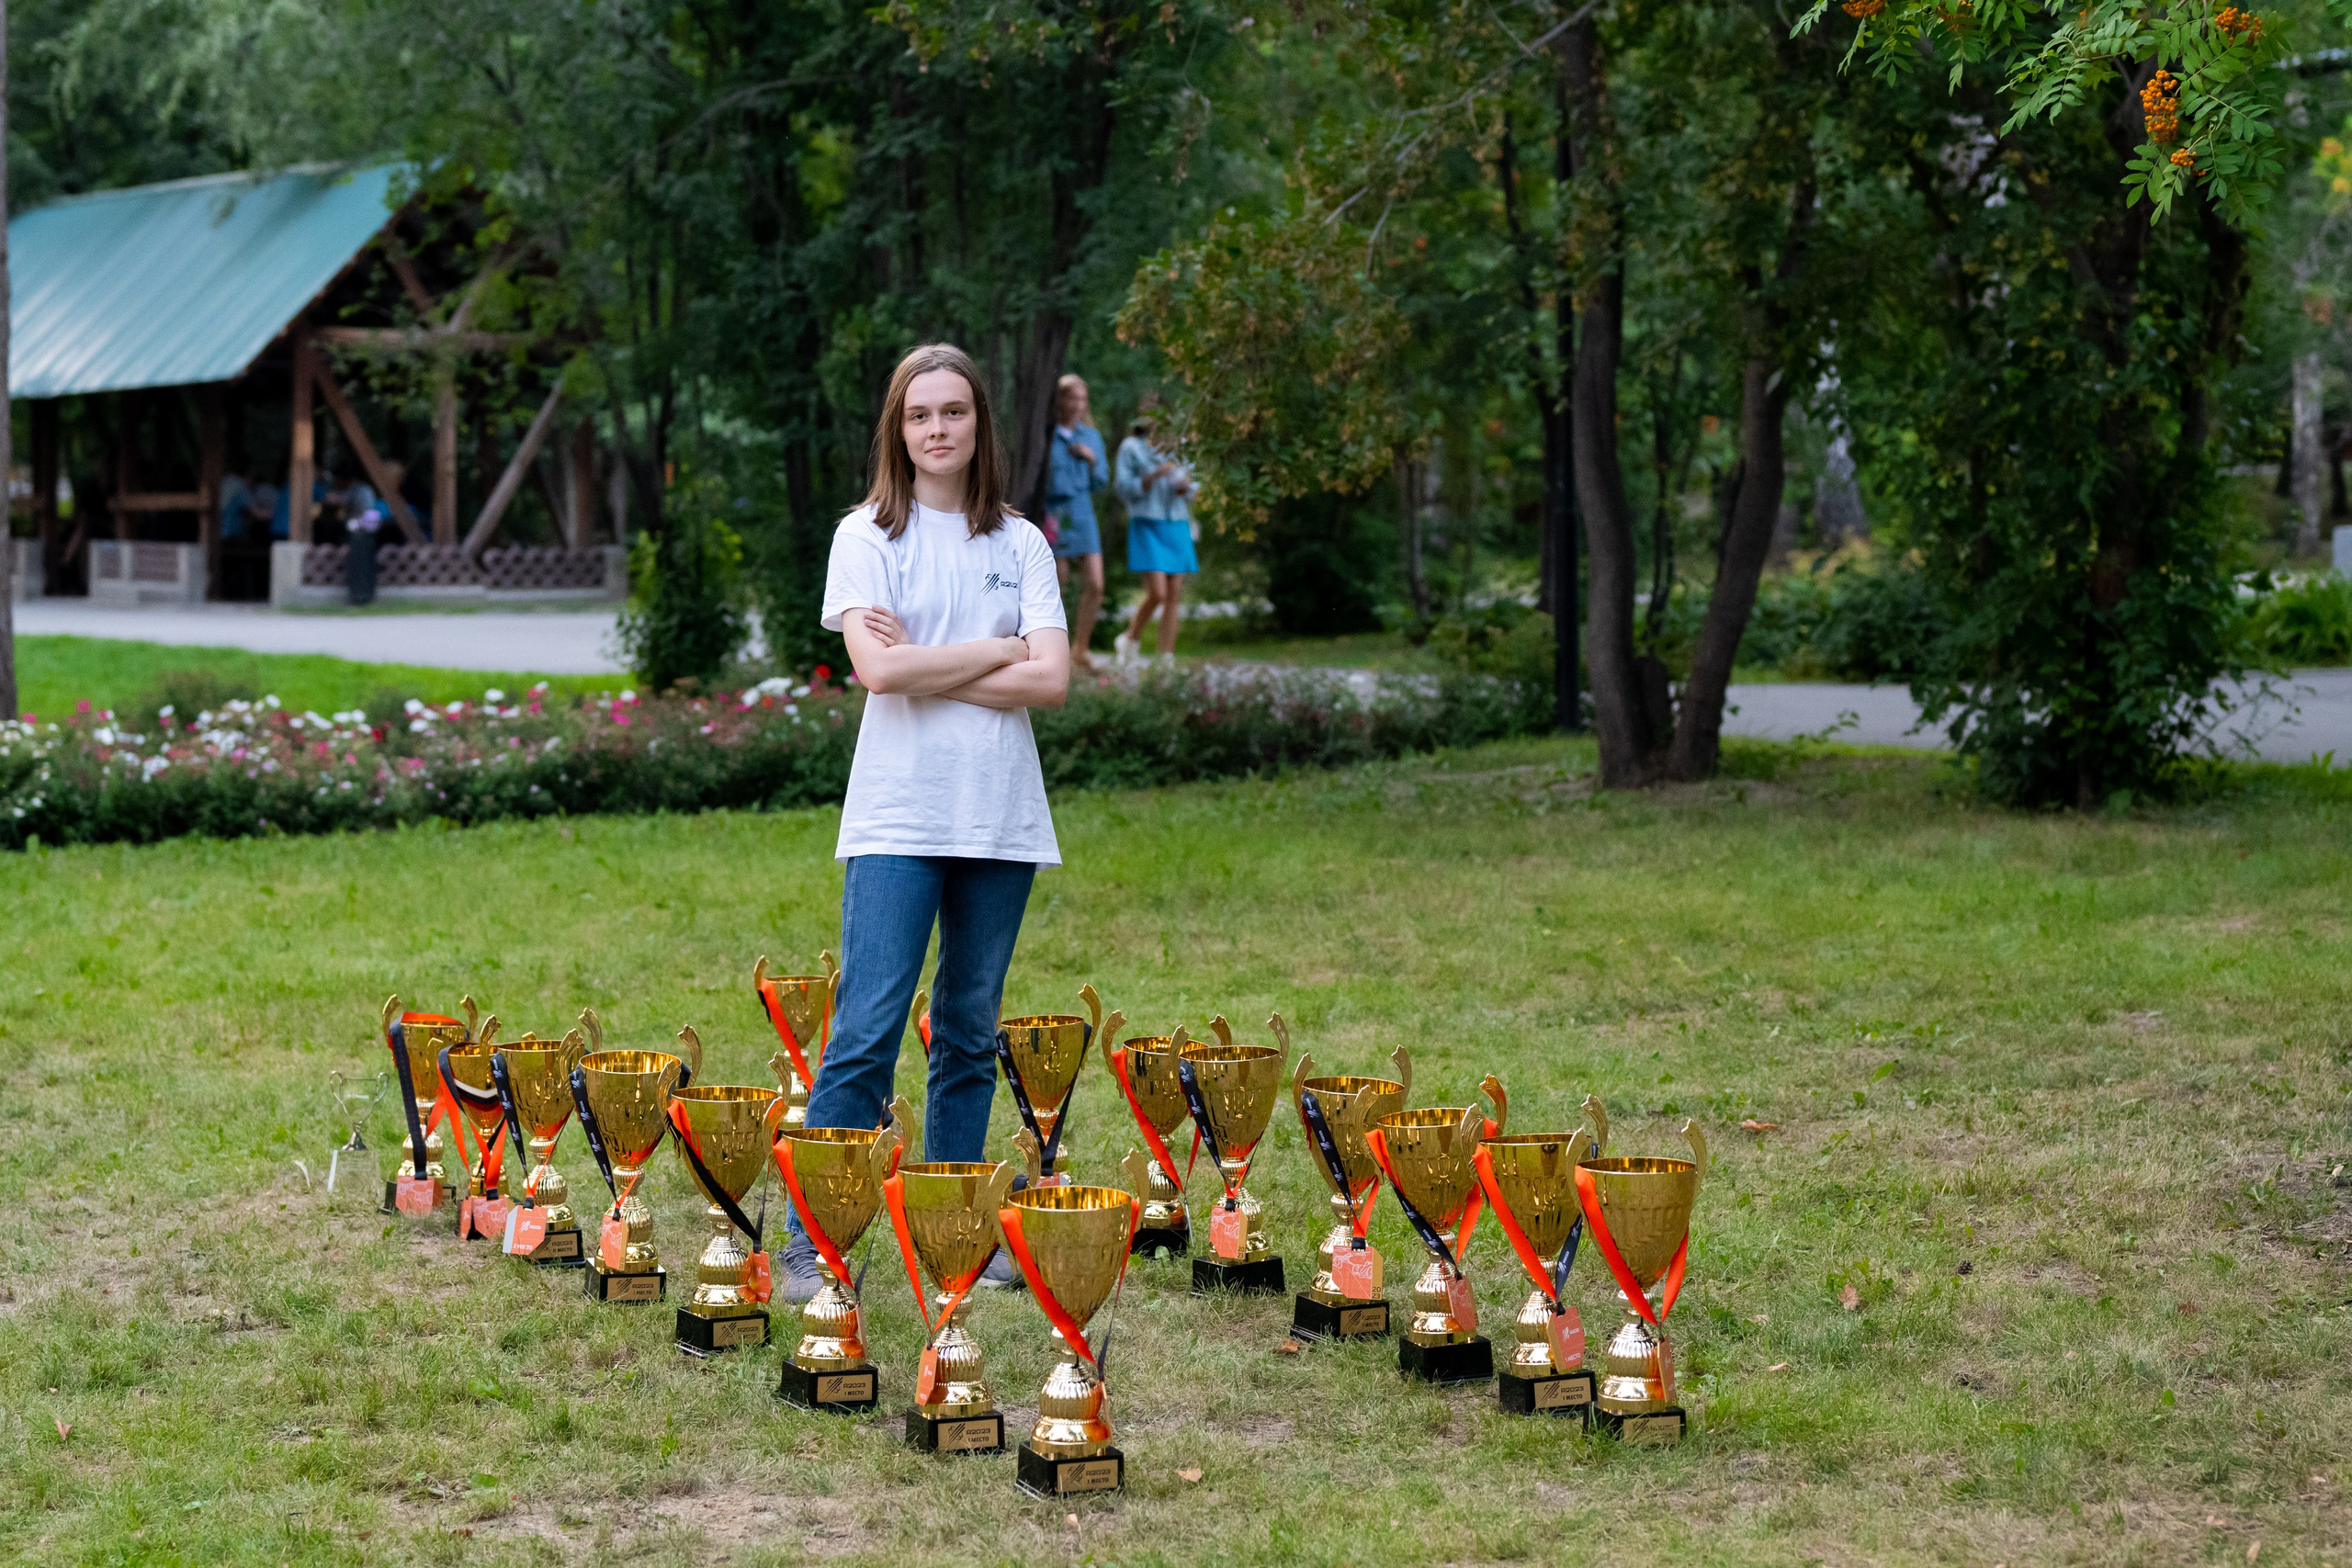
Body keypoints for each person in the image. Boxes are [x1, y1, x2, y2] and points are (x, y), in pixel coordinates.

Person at [779, 342, 1072, 1300]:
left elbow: (1054, 680)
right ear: (897, 430)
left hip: (997, 818)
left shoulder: (1019, 542)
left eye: (952, 412)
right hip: (899, 816)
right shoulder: (865, 535)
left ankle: (957, 1235)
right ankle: (809, 1245)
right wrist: (996, 651)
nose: (936, 429)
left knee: (966, 1027)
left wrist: (939, 658)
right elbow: (879, 673)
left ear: (978, 424)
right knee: (863, 1028)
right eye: (918, 415)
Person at [1114, 397, 1198, 665]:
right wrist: (1152, 477)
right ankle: (1129, 639)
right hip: (1147, 523)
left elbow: (1194, 488)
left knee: (1174, 595)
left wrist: (1186, 487)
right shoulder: (1131, 448)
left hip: (1177, 522)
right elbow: (1123, 488)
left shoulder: (1178, 447)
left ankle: (1166, 660)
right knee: (1157, 593)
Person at [1044, 374, 1110, 668]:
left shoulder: (1090, 437)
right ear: (1060, 400)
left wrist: (1091, 460)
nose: (1079, 405)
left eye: (1083, 399)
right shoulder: (1047, 435)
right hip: (1054, 513)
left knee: (1096, 582)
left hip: (1083, 511)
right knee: (1058, 580)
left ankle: (1080, 647)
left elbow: (1102, 481)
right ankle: (1052, 648)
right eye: (1073, 398)